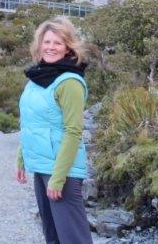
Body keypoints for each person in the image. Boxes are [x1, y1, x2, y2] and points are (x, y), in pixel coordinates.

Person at [15, 16, 93, 244]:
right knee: (53, 237)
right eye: (46, 42)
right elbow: (31, 123)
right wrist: (22, 157)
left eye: (58, 43)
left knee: (73, 239)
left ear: (68, 47)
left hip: (62, 170)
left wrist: (58, 178)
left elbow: (73, 131)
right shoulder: (37, 77)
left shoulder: (70, 82)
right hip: (41, 166)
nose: (50, 47)